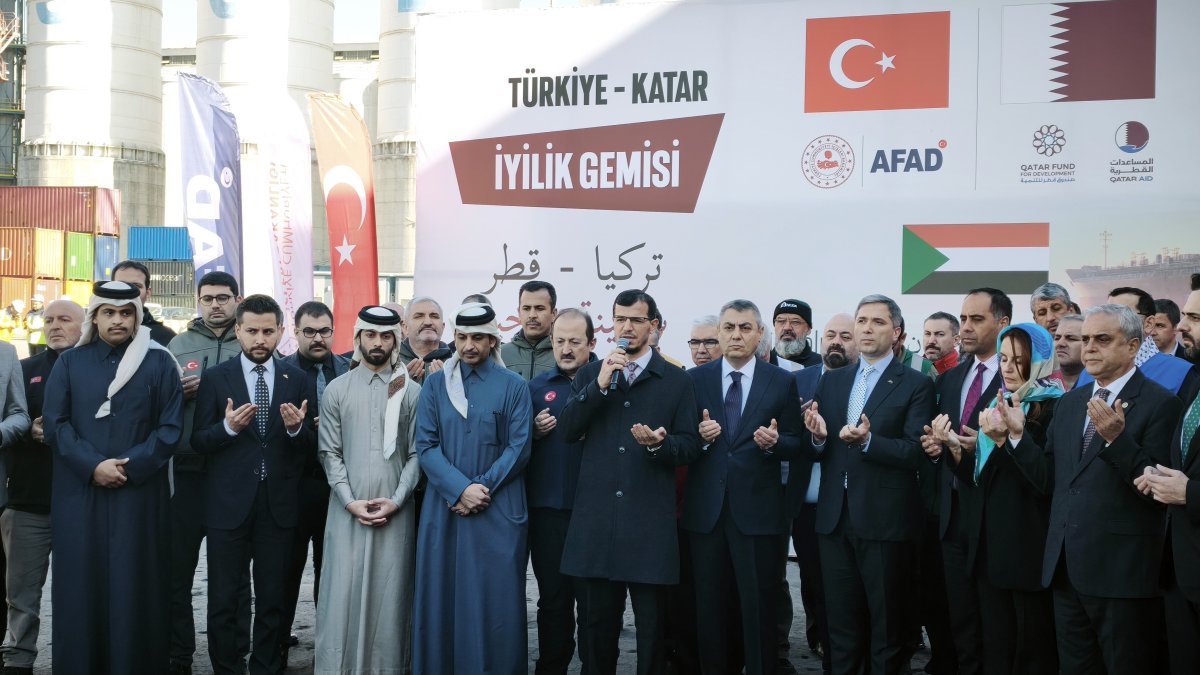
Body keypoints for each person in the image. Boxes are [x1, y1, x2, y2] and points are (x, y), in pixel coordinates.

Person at [1007, 304, 1180, 674]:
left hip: (1122, 575)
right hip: (1065, 570)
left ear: (1133, 347)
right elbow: (1050, 482)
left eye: (1102, 339)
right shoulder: (1070, 404)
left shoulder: (1162, 404)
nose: (1089, 348)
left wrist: (1118, 441)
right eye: (1085, 339)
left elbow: (1159, 492)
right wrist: (1017, 437)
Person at [43, 280, 183, 673]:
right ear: (95, 316)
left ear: (138, 316)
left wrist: (127, 467)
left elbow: (169, 430)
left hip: (138, 497)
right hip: (79, 496)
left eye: (126, 313)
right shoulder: (70, 362)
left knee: (136, 588)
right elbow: (56, 425)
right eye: (109, 312)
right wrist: (93, 467)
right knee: (79, 589)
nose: (118, 320)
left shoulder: (159, 363)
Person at [559, 289, 701, 674]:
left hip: (648, 528)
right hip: (597, 525)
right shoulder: (593, 372)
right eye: (620, 319)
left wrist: (661, 445)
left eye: (636, 320)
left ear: (653, 326)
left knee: (653, 632)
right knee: (596, 630)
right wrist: (600, 385)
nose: (626, 327)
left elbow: (690, 446)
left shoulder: (675, 380)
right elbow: (569, 430)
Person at [800, 294, 935, 675]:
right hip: (833, 519)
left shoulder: (916, 384)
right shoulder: (833, 381)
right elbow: (822, 449)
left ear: (896, 332)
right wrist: (818, 438)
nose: (866, 328)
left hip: (884, 522)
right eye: (862, 321)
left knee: (887, 629)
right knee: (840, 627)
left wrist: (869, 442)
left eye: (877, 322)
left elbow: (914, 452)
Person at [190, 295, 315, 675]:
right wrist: (228, 428)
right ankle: (227, 667)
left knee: (273, 596)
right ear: (238, 331)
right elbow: (199, 441)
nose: (260, 339)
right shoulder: (215, 378)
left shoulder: (299, 379)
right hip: (228, 506)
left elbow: (311, 448)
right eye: (251, 331)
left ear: (280, 332)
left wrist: (295, 429)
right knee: (224, 597)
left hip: (278, 507)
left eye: (267, 331)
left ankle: (266, 666)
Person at [931, 323, 1063, 675]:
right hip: (987, 548)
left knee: (1028, 651)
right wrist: (955, 449)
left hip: (1026, 551)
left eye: (1018, 360)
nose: (1007, 367)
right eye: (1004, 358)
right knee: (994, 648)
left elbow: (1044, 482)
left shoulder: (1056, 408)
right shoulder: (997, 403)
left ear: (1039, 362)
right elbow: (982, 478)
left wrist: (1012, 439)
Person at [413, 302, 533, 674]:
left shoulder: (513, 385)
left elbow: (520, 447)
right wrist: (459, 489)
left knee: (494, 599)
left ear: (493, 339)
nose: (468, 346)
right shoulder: (435, 384)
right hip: (445, 507)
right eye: (462, 337)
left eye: (477, 337)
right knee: (442, 595)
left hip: (497, 505)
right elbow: (426, 445)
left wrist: (479, 489)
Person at [685, 299, 802, 675]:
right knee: (710, 610)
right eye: (729, 327)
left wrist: (775, 443)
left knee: (759, 609)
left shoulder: (782, 381)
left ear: (759, 335)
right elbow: (682, 441)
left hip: (759, 515)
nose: (736, 335)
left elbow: (797, 442)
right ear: (718, 333)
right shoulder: (694, 380)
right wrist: (701, 438)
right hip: (707, 514)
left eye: (745, 328)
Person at [316, 306, 422, 674]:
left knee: (390, 600)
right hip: (346, 513)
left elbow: (418, 453)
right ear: (358, 337)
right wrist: (349, 501)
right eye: (370, 335)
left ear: (396, 340)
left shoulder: (412, 392)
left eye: (386, 336)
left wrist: (396, 500)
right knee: (341, 596)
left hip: (397, 513)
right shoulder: (336, 390)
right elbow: (329, 452)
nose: (377, 343)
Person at [165, 270, 248, 674]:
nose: (216, 304)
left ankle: (234, 650)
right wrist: (174, 392)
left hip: (232, 473)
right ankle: (179, 651)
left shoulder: (251, 341)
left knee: (232, 573)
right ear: (198, 301)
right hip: (184, 472)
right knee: (176, 572)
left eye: (223, 297)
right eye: (208, 298)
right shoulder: (177, 345)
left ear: (237, 298)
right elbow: (153, 402)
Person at [926, 288, 1011, 675]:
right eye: (963, 319)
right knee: (959, 617)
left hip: (996, 519)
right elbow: (939, 442)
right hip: (952, 516)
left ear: (1003, 323)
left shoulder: (1020, 381)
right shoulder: (950, 379)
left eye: (977, 319)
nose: (966, 328)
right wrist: (933, 444)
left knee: (996, 623)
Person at [1, 300, 74, 674]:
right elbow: (11, 418)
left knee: (77, 592)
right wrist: (30, 431)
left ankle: (75, 655)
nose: (54, 326)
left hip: (80, 503)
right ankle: (18, 660)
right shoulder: (23, 367)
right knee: (21, 595)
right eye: (48, 320)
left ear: (84, 324)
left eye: (64, 319)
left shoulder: (96, 370)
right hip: (28, 501)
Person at [277, 301, 350, 659]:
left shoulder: (350, 369)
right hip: (292, 484)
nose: (318, 338)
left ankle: (329, 637)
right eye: (309, 331)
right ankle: (279, 637)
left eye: (324, 331)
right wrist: (301, 429)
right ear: (296, 332)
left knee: (332, 566)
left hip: (336, 486)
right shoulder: (280, 370)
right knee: (287, 567)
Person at [527, 309, 597, 674]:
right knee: (553, 600)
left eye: (575, 341)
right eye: (560, 342)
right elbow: (515, 449)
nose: (566, 349)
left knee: (592, 602)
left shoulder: (610, 383)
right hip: (548, 511)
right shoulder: (536, 388)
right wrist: (533, 434)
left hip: (595, 514)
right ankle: (550, 666)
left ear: (592, 343)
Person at [1137, 274, 1200, 674]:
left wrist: (1191, 493)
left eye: (1193, 316)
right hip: (1182, 572)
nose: (1181, 326)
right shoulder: (1194, 380)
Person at [787, 313, 855, 675]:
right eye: (831, 334)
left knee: (847, 592)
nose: (837, 341)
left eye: (846, 335)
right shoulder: (798, 380)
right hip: (807, 505)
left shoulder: (863, 383)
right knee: (814, 585)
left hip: (851, 503)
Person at [1104, 286, 1198, 396]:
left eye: (1122, 314)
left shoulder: (1182, 372)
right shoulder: (1090, 370)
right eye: (1106, 314)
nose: (1109, 321)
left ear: (1148, 323)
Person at [502, 280, 558, 380]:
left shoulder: (564, 355)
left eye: (540, 308)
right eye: (526, 308)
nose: (532, 315)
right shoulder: (501, 355)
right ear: (519, 312)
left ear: (553, 314)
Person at [113, 260, 177, 346]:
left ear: (148, 293)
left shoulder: (167, 338)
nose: (128, 290)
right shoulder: (95, 334)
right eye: (121, 285)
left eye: (136, 286)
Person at [398, 297, 450, 385]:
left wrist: (447, 387)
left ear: (442, 327)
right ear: (405, 327)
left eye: (434, 316)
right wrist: (402, 386)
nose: (428, 322)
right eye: (419, 316)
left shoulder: (456, 363)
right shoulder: (391, 361)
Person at [771, 299, 820, 369]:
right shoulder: (763, 362)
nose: (787, 327)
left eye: (795, 322)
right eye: (781, 321)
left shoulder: (821, 365)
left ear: (808, 329)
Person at [1053, 315, 1086, 391]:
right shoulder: (1037, 386)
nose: (1060, 343)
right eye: (1057, 338)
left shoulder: (1101, 385)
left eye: (1071, 339)